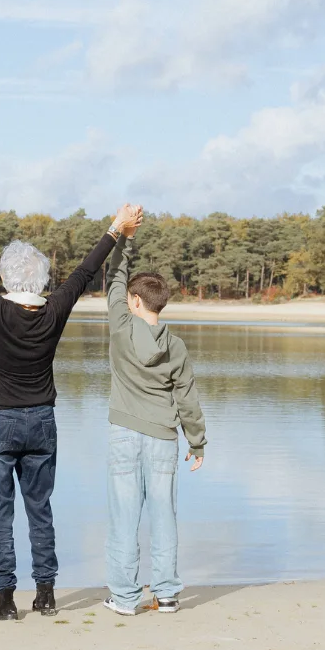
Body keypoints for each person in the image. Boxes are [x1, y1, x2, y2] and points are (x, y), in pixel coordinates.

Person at [0, 186, 140, 621]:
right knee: (39, 508)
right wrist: (116, 227)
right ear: (41, 280)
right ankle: (46, 594)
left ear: (6, 278)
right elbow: (84, 271)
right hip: (41, 420)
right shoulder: (54, 309)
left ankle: (4, 597)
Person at [103, 223, 206, 616]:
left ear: (134, 302)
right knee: (164, 516)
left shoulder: (121, 324)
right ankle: (166, 596)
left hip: (125, 434)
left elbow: (113, 276)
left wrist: (125, 237)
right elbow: (187, 398)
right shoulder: (175, 345)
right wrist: (197, 443)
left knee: (123, 518)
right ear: (159, 304)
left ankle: (126, 599)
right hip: (164, 438)